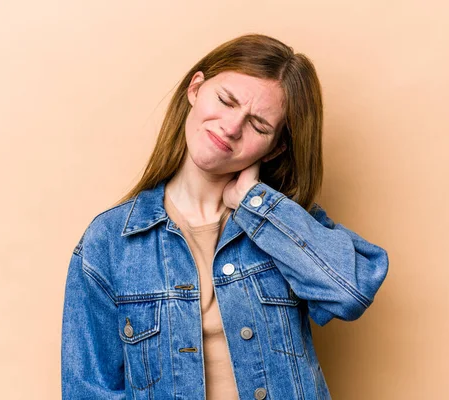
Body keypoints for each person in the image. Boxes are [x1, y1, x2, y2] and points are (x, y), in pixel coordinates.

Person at [61, 33, 389, 400]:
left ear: (274, 148)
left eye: (258, 126)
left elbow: (351, 291)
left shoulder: (285, 225)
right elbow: (88, 390)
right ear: (195, 88)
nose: (231, 128)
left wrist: (254, 203)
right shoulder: (110, 242)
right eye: (226, 100)